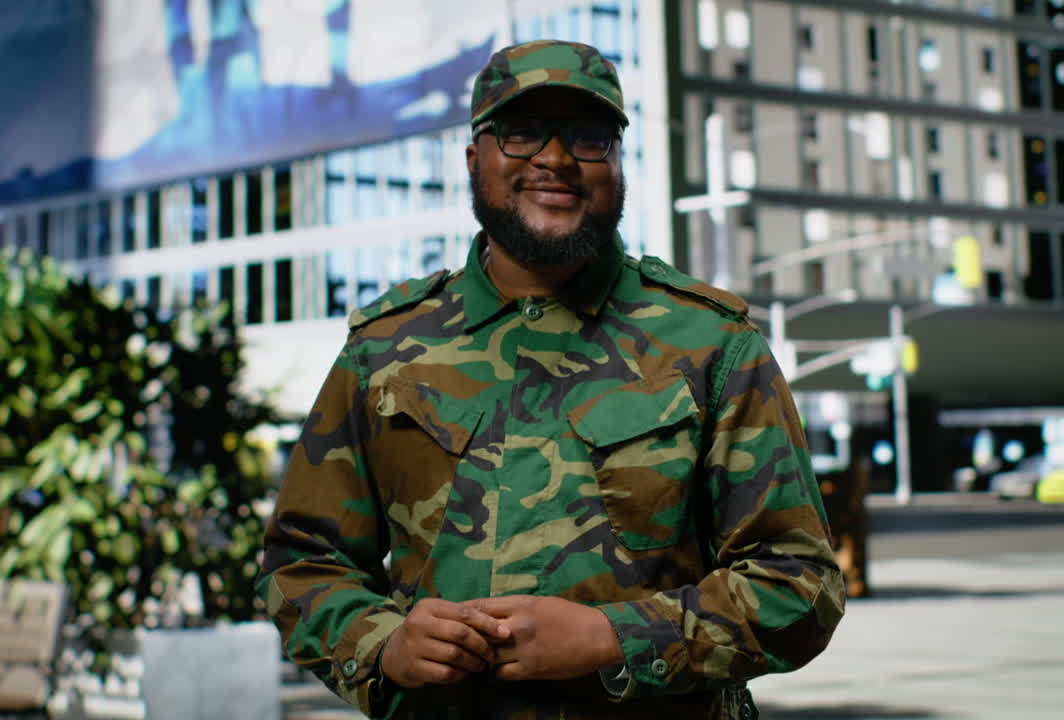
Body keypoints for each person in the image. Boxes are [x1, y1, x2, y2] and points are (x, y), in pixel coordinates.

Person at [257, 39, 845, 719]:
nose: (557, 159)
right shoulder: (385, 349)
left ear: (619, 163)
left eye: (589, 136)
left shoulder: (712, 344)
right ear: (474, 157)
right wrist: (382, 643)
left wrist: (612, 637)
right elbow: (302, 562)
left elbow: (800, 585)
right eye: (522, 131)